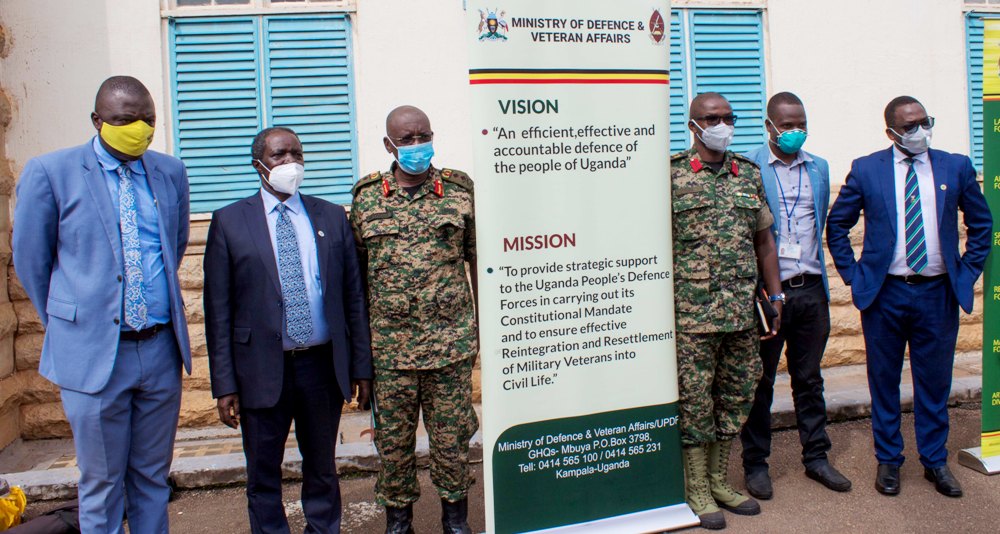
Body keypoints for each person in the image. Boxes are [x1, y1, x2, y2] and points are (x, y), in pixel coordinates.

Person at [12, 75, 192, 533]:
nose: (139, 128)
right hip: (94, 353)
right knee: (102, 483)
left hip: (158, 349)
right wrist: (75, 321)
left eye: (147, 119)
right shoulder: (51, 172)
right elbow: (32, 262)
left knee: (152, 478)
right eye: (125, 119)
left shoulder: (170, 171)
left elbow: (172, 245)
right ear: (97, 121)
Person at [203, 127, 373, 533]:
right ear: (258, 165)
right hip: (260, 368)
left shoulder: (331, 216)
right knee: (263, 475)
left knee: (322, 467)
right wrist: (224, 384)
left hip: (320, 367)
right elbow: (218, 311)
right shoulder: (229, 221)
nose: (290, 162)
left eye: (296, 153)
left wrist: (361, 368)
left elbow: (354, 297)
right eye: (280, 155)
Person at [827, 96, 992, 498]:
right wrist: (855, 274)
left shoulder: (955, 165)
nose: (921, 131)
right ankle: (889, 461)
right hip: (885, 295)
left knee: (934, 384)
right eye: (911, 126)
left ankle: (935, 461)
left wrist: (966, 271)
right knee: (883, 381)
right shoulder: (868, 169)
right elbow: (837, 226)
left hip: (937, 294)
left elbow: (982, 223)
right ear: (892, 132)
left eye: (925, 121)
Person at [350, 105, 479, 534]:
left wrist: (485, 332)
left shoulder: (459, 191)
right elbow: (358, 276)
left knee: (452, 442)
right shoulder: (367, 198)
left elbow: (479, 262)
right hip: (390, 352)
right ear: (389, 145)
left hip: (450, 347)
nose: (417, 145)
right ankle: (399, 523)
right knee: (395, 446)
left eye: (423, 136)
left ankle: (455, 522)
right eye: (406, 139)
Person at [671, 92, 783, 530]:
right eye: (711, 118)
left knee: (736, 395)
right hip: (691, 316)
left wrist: (776, 299)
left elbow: (765, 242)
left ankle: (719, 480)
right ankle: (695, 486)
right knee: (696, 402)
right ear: (693, 125)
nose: (721, 124)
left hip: (740, 311)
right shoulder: (672, 176)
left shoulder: (748, 174)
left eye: (728, 117)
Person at [740, 92, 851, 498]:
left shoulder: (818, 167)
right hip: (769, 295)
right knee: (762, 382)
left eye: (800, 123)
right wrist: (768, 293)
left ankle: (817, 458)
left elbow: (820, 222)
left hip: (811, 291)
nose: (794, 131)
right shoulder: (748, 166)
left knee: (809, 378)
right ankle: (756, 465)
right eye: (786, 125)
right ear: (768, 125)